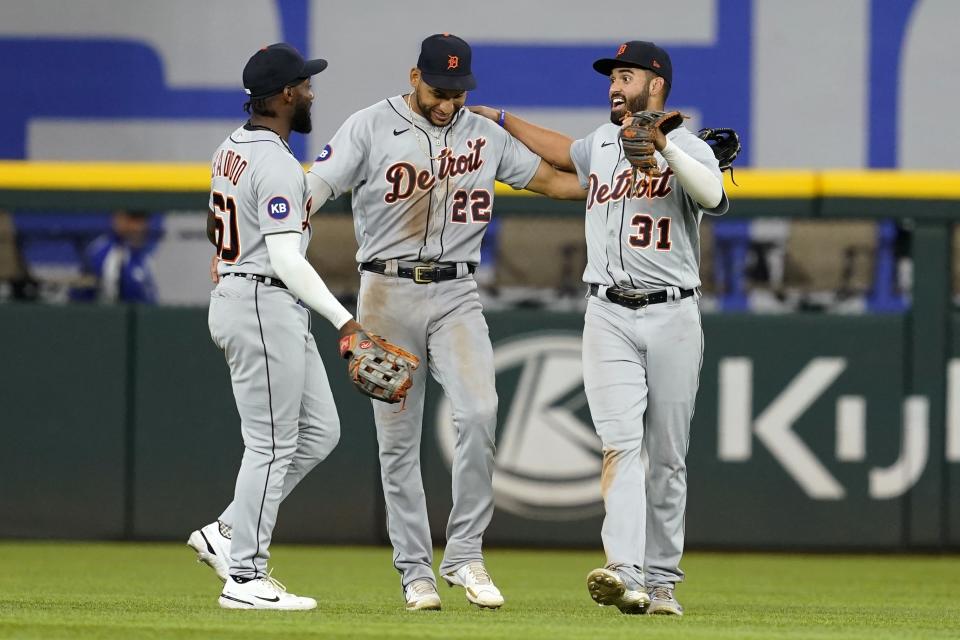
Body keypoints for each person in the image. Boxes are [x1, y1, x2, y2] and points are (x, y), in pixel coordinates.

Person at [305, 33, 584, 611]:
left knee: (481, 412)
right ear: (413, 76)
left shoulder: (482, 134)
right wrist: (268, 234)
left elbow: (557, 181)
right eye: (438, 88)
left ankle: (464, 556)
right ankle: (415, 572)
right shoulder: (369, 126)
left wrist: (633, 181)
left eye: (457, 91)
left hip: (457, 290)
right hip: (385, 290)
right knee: (397, 443)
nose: (447, 102)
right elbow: (315, 187)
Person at [472, 40, 728, 616]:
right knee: (620, 445)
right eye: (612, 76)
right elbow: (565, 154)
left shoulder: (687, 145)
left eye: (627, 75)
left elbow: (710, 196)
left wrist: (666, 149)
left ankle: (662, 580)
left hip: (673, 312)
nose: (615, 84)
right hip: (607, 312)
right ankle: (625, 570)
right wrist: (502, 119)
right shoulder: (603, 143)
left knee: (667, 455)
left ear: (656, 85)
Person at [186, 42, 370, 611]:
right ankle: (244, 578)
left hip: (254, 295)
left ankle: (227, 532)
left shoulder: (232, 148)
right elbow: (288, 260)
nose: (312, 92)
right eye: (306, 85)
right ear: (287, 94)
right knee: (269, 444)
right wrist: (347, 321)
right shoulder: (275, 163)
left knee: (320, 431)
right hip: (261, 299)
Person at [69, 209, 157, 303]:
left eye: (143, 220)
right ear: (118, 218)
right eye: (134, 220)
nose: (140, 227)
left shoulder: (143, 255)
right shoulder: (103, 253)